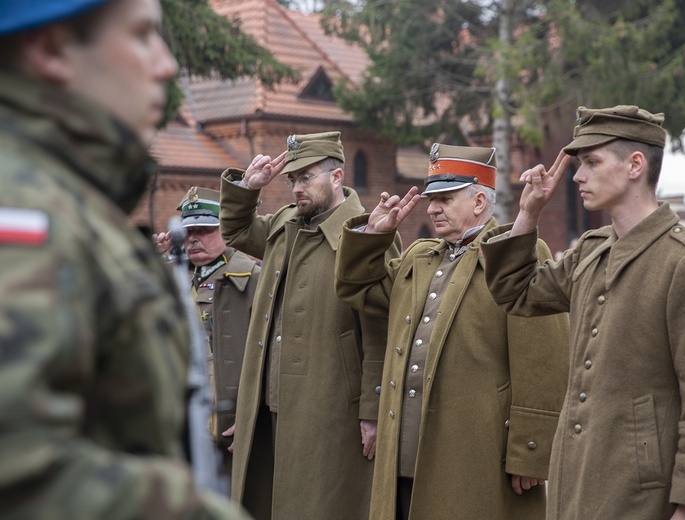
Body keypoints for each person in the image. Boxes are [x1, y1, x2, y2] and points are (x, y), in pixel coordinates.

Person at [0, 1, 253, 518]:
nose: (166, 65)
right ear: (51, 49)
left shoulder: (70, 195)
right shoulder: (24, 207)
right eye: (141, 35)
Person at [481, 105, 685, 520]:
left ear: (635, 165)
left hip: (646, 497)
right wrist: (528, 212)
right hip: (579, 483)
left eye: (591, 162)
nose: (577, 176)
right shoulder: (590, 251)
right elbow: (515, 293)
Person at [334, 143, 570, 520]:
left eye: (444, 198)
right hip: (404, 451)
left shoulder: (515, 253)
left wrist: (531, 449)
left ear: (479, 202)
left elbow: (543, 360)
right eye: (431, 199)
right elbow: (359, 290)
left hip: (476, 453)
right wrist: (371, 238)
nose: (432, 209)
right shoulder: (419, 257)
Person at [219, 131, 401, 520]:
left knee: (321, 504)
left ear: (337, 177)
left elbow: (381, 327)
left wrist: (372, 407)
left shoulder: (368, 231)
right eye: (293, 179)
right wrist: (248, 189)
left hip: (330, 405)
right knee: (264, 502)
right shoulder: (285, 223)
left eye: (307, 177)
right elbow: (234, 232)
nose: (297, 188)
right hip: (270, 401)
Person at [155, 187, 262, 492]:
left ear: (227, 229)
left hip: (229, 426)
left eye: (204, 230)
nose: (193, 239)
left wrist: (253, 416)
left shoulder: (252, 279)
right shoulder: (181, 278)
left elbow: (270, 356)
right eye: (188, 232)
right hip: (186, 422)